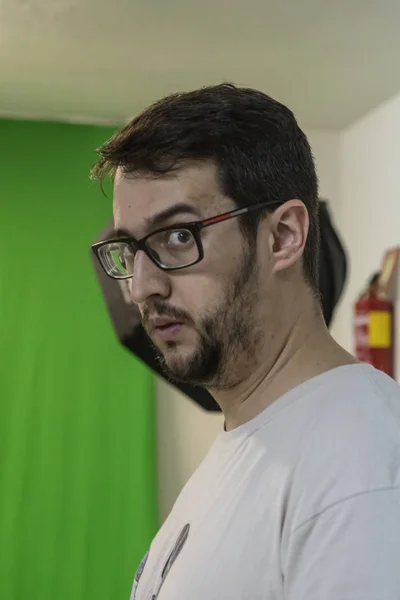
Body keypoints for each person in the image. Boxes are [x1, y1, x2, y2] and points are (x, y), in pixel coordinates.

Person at [90, 83, 400, 600]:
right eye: (128, 248)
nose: (141, 287)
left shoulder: (361, 466)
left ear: (282, 237)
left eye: (178, 236)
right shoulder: (249, 447)